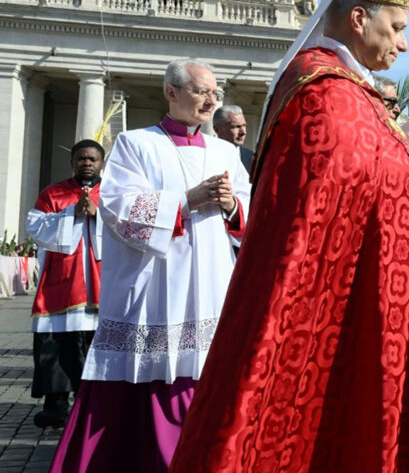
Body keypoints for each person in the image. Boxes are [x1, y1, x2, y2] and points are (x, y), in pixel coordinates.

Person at [169, 0, 409, 472]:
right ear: (359, 18)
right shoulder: (323, 97)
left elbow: (372, 173)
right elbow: (351, 184)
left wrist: (408, 139)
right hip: (324, 323)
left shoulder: (347, 92)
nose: (405, 46)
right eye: (399, 27)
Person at [49, 59, 251, 472]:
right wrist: (186, 200)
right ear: (171, 92)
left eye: (215, 93)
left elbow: (252, 213)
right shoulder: (135, 144)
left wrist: (232, 205)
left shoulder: (226, 151)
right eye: (201, 91)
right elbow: (118, 208)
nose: (210, 100)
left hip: (212, 286)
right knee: (154, 386)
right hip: (157, 289)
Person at [25, 139, 105, 429]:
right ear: (72, 161)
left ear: (101, 163)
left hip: (102, 282)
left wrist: (99, 214)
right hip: (61, 282)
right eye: (81, 158)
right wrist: (71, 213)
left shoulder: (113, 193)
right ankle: (56, 404)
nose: (86, 163)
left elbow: (127, 229)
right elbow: (34, 227)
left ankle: (95, 403)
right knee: (55, 345)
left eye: (92, 159)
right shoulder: (53, 193)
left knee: (95, 344)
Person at [212, 104, 254, 172]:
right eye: (236, 126)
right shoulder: (207, 155)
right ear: (217, 129)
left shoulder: (252, 157)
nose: (243, 132)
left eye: (244, 125)